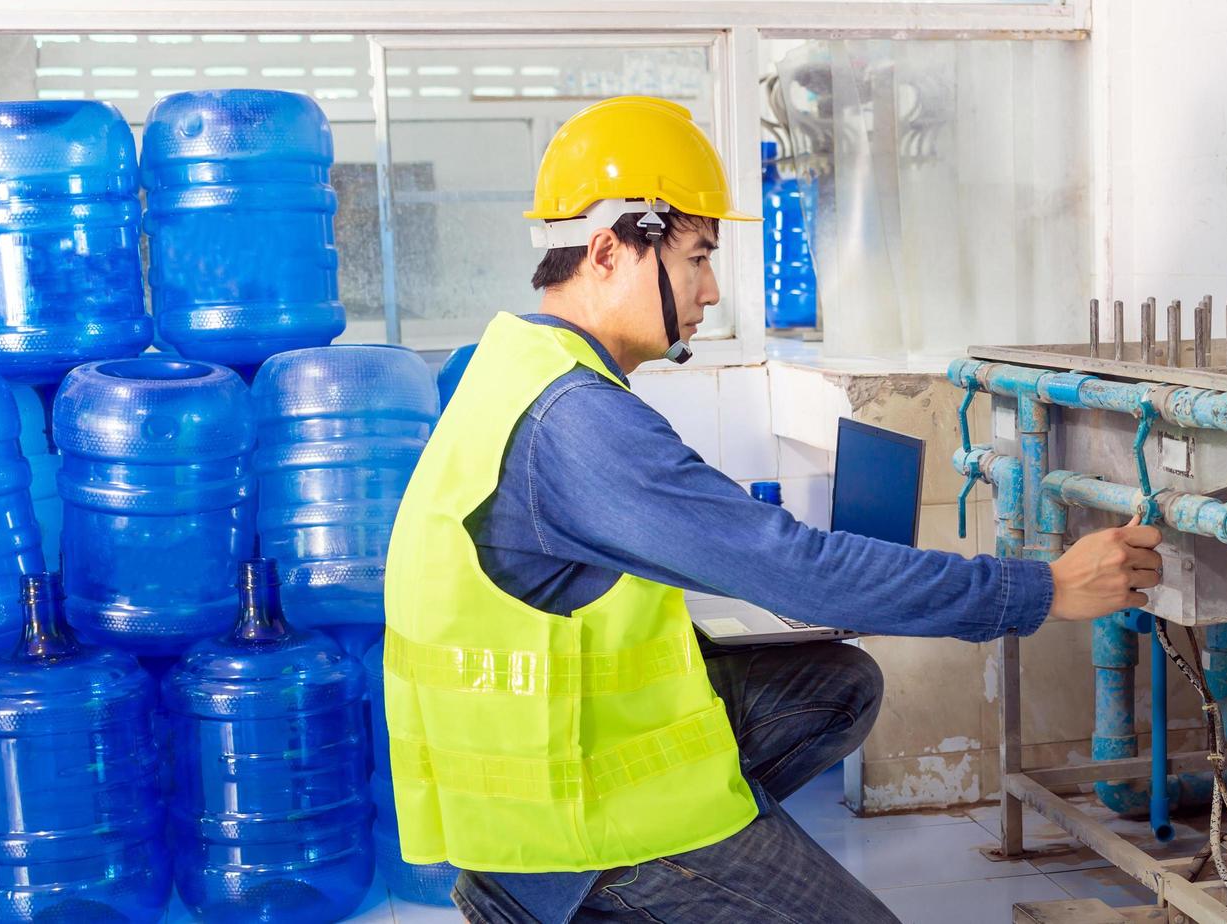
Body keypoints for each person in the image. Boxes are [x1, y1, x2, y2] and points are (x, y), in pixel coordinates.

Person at [382, 95, 1163, 924]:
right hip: (577, 831)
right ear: (608, 249)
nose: (711, 290)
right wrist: (1040, 590)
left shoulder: (510, 365)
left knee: (837, 685)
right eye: (695, 259)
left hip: (522, 808)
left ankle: (699, 888)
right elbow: (797, 572)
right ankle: (652, 887)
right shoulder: (573, 420)